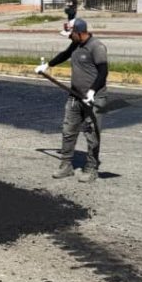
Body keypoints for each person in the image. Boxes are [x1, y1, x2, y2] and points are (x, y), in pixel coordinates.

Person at [36, 18, 108, 183]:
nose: (69, 37)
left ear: (79, 32)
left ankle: (91, 168)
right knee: (68, 131)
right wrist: (47, 65)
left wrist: (92, 92)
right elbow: (65, 55)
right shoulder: (76, 44)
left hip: (94, 99)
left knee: (92, 134)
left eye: (71, 34)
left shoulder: (97, 47)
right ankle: (66, 165)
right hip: (75, 97)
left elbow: (103, 73)